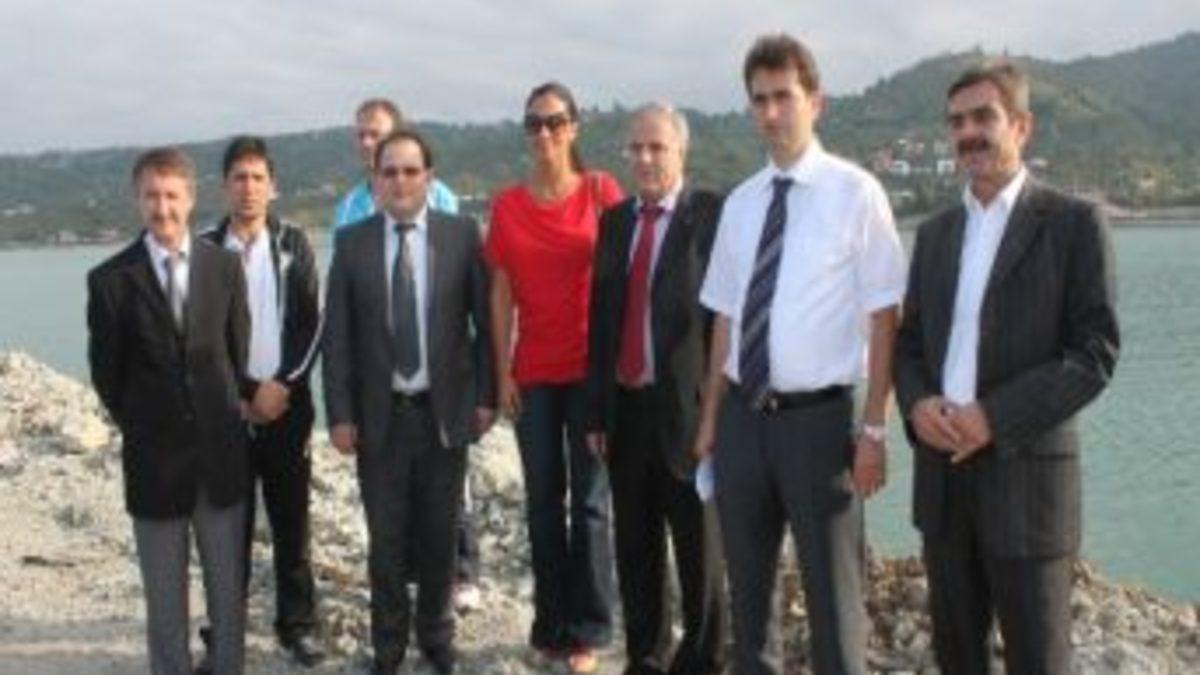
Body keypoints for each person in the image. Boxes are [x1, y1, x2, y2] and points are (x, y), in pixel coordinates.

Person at [893, 62, 1120, 675]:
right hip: (943, 485)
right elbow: (908, 345)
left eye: (983, 117)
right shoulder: (936, 234)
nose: (967, 132)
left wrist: (993, 418)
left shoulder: (1073, 224)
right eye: (956, 122)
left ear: (1022, 126)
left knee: (1039, 661)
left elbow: (1095, 352)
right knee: (956, 659)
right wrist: (917, 406)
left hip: (1029, 489)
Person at [694, 34, 906, 674]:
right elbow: (726, 319)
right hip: (743, 422)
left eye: (783, 97)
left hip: (819, 425)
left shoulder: (857, 193)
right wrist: (711, 420)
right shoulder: (740, 204)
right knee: (749, 600)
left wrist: (874, 429)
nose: (770, 112)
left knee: (833, 600)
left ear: (816, 102)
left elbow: (886, 318)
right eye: (759, 100)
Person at [322, 128, 495, 675]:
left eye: (410, 171)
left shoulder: (461, 235)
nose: (400, 181)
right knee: (386, 541)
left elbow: (484, 325)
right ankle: (389, 646)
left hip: (443, 415)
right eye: (389, 172)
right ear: (375, 180)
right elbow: (337, 338)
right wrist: (340, 415)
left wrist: (487, 396)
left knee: (441, 536)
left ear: (429, 177)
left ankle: (437, 639)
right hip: (380, 419)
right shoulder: (352, 243)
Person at [86, 147, 252, 675]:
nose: (162, 208)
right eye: (151, 196)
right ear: (137, 200)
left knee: (228, 594)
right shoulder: (110, 281)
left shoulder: (224, 267)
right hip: (154, 463)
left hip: (221, 460)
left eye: (171, 195)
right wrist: (148, 424)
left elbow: (237, 353)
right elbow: (108, 377)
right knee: (164, 601)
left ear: (191, 198)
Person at [484, 81, 623, 674]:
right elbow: (500, 295)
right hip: (535, 374)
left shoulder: (601, 193)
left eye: (555, 121)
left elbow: (625, 282)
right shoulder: (507, 206)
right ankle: (551, 625)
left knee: (590, 505)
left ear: (574, 128)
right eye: (534, 124)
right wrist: (501, 373)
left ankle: (589, 629)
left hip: (592, 373)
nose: (544, 133)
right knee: (543, 503)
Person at [585, 101, 728, 675]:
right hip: (626, 411)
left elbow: (727, 324)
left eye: (657, 147)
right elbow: (602, 322)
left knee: (700, 554)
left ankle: (703, 661)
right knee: (636, 548)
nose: (644, 159)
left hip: (691, 418)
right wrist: (596, 413)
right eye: (636, 148)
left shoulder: (711, 216)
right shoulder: (615, 222)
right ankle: (645, 657)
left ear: (681, 151)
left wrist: (717, 413)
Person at [198, 136, 323, 667]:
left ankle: (298, 626)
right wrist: (247, 392)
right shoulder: (203, 249)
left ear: (273, 187)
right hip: (225, 413)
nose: (248, 188)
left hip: (287, 408)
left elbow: (312, 324)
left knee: (292, 524)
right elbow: (199, 337)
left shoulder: (294, 243)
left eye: (257, 178)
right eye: (239, 178)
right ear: (223, 186)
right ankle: (224, 634)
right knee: (229, 530)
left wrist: (283, 386)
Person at [331, 98, 460, 229]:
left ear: (398, 137)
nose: (366, 143)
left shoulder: (439, 199)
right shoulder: (348, 208)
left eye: (375, 135)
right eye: (361, 136)